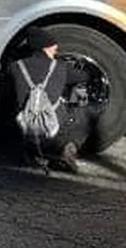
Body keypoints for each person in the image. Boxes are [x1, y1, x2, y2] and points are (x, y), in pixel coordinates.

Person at [8, 28, 95, 174]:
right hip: (53, 130)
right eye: (53, 46)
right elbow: (85, 77)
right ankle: (68, 147)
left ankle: (29, 149)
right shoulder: (61, 67)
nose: (56, 49)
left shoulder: (15, 67)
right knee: (85, 105)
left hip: (24, 127)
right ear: (45, 47)